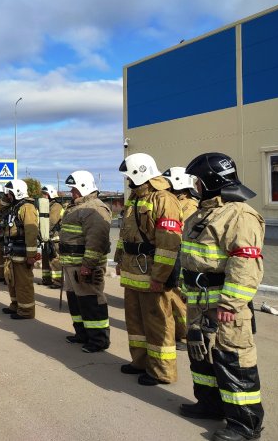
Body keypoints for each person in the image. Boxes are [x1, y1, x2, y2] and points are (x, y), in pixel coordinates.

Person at [178, 153, 264, 441]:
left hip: (225, 307)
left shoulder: (240, 215)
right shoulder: (201, 213)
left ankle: (245, 424)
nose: (195, 187)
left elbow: (245, 263)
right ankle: (210, 404)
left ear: (213, 181)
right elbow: (191, 257)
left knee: (233, 360)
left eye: (199, 181)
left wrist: (230, 303)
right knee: (201, 355)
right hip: (200, 303)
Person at [114, 153, 182, 385]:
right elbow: (125, 234)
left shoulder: (164, 199)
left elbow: (168, 243)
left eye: (128, 176)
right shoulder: (134, 198)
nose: (126, 181)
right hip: (133, 269)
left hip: (151, 271)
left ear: (138, 173)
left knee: (157, 322)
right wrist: (119, 260)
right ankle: (140, 362)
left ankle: (161, 371)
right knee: (135, 321)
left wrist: (160, 277)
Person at [60, 171, 112, 353]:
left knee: (91, 301)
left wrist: (88, 265)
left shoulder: (95, 209)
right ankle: (82, 333)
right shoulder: (76, 207)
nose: (72, 192)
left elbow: (96, 241)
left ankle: (98, 339)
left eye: (74, 189)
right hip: (71, 265)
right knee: (76, 301)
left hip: (84, 266)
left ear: (84, 187)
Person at [163, 166, 201, 350]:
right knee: (173, 298)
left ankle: (186, 336)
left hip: (182, 258)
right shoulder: (175, 202)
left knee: (181, 300)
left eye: (168, 183)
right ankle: (179, 332)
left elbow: (179, 231)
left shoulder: (190, 206)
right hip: (174, 256)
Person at [1, 179, 39, 320]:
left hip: (22, 251)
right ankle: (16, 305)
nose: (8, 195)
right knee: (12, 280)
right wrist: (6, 197)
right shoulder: (14, 206)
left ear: (17, 192)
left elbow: (31, 232)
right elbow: (2, 208)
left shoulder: (27, 207)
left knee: (23, 283)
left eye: (10, 193)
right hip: (12, 250)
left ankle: (26, 311)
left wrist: (31, 255)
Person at [40, 184, 64, 289]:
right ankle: (46, 279)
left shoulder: (56, 206)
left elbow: (52, 221)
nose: (43, 196)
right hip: (46, 236)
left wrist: (42, 231)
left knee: (55, 259)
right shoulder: (46, 206)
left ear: (50, 194)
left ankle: (58, 282)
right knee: (45, 258)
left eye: (45, 194)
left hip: (55, 237)